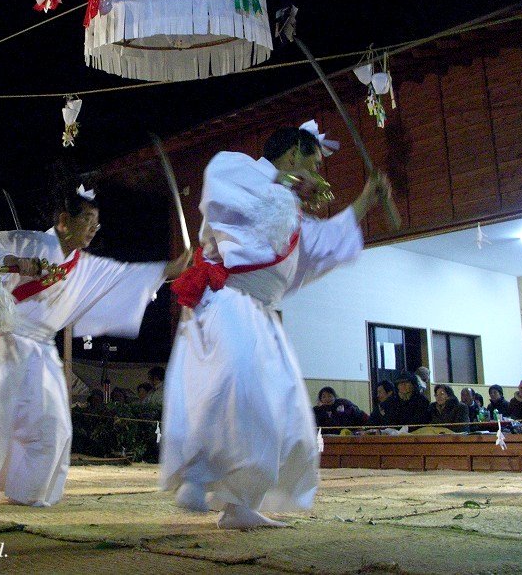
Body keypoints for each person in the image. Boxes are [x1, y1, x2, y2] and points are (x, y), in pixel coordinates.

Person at [159, 121, 391, 529]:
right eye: (314, 163)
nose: (319, 174)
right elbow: (224, 190)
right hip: (225, 303)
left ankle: (240, 503)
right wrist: (288, 182)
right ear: (291, 154)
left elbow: (320, 245)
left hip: (260, 313)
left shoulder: (288, 209)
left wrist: (364, 202)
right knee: (228, 391)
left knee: (279, 409)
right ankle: (195, 475)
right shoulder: (236, 169)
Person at [0, 184, 190, 506]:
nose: (92, 228)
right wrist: (16, 261)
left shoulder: (84, 265)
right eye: (86, 219)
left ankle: (28, 494)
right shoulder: (29, 242)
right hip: (6, 345)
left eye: (95, 223)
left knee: (52, 426)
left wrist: (172, 267)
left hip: (41, 352)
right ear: (63, 220)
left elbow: (126, 275)